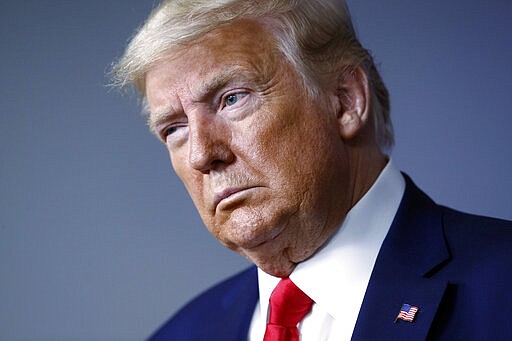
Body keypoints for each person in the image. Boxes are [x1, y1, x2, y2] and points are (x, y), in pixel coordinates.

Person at [111, 0, 512, 340]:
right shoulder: (182, 333)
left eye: (232, 98)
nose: (202, 154)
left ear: (345, 101)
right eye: (174, 129)